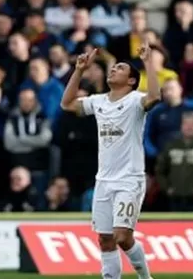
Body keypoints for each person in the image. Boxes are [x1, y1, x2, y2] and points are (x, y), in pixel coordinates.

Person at [60, 37, 160, 279]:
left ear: (132, 80)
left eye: (121, 68)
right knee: (105, 239)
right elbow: (67, 104)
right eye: (113, 67)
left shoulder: (136, 101)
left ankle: (145, 277)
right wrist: (79, 71)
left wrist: (148, 63)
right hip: (104, 180)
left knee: (122, 237)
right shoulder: (99, 101)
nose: (114, 68)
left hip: (129, 179)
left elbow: (155, 97)